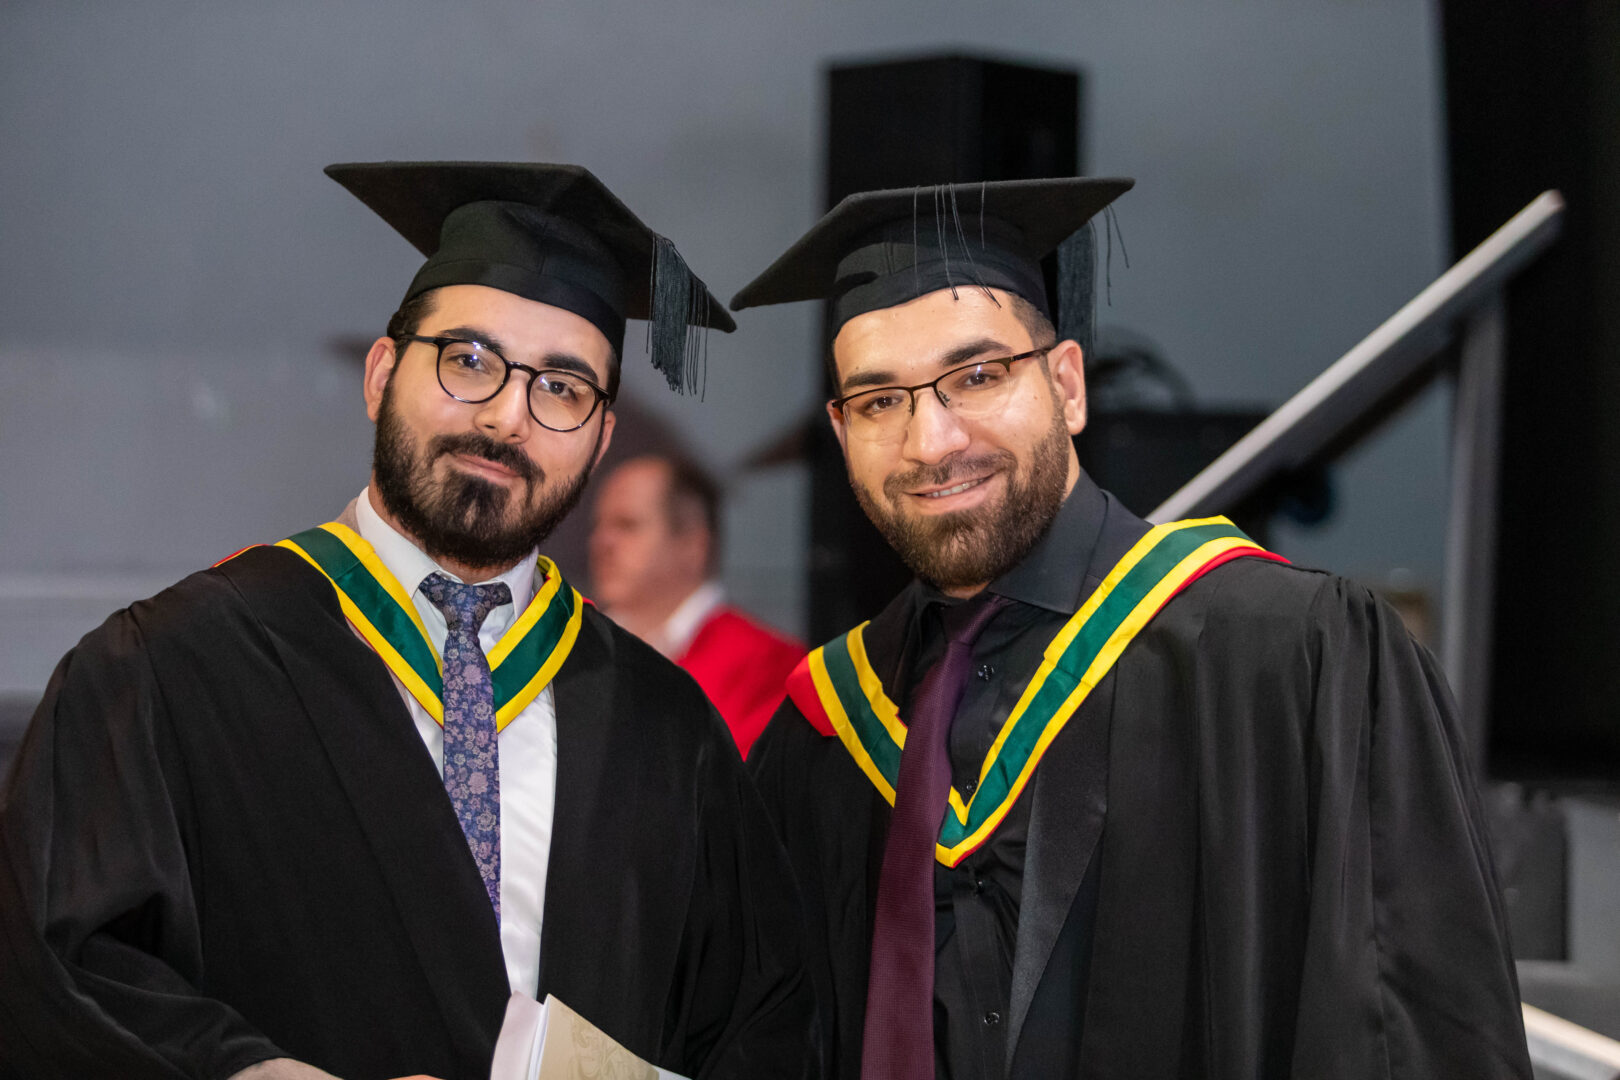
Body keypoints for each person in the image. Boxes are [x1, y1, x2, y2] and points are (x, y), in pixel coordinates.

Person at [0, 162, 814, 1080]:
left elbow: (761, 1025)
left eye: (563, 388)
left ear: (600, 437)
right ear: (383, 374)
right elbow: (50, 971)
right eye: (469, 361)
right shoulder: (172, 669)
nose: (508, 416)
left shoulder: (667, 728)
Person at [730, 177, 1531, 1079]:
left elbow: (1416, 1037)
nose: (931, 440)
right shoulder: (828, 729)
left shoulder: (1293, 658)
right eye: (880, 401)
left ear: (1067, 385)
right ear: (840, 434)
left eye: (979, 375)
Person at [588, 454, 804, 757]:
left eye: (627, 525)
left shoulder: (770, 666)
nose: (602, 541)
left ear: (693, 546)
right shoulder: (575, 651)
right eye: (599, 525)